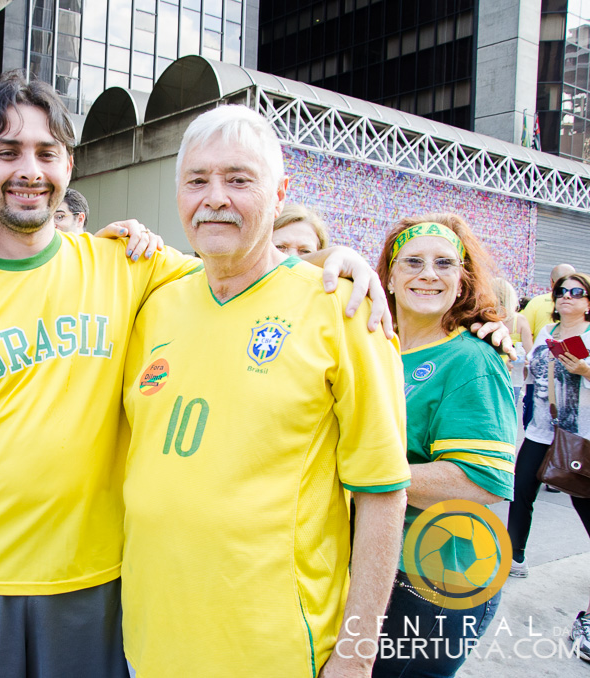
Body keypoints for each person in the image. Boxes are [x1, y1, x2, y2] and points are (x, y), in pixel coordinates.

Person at [0, 72, 390, 678]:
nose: (29, 169)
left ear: (70, 165)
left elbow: (254, 272)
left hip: (97, 584)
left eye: (47, 152)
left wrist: (339, 259)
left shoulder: (130, 269)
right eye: (7, 151)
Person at [120, 105, 409, 678]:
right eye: (197, 181)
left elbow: (383, 494)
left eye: (238, 179)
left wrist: (355, 654)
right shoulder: (153, 306)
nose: (215, 197)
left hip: (274, 650)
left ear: (280, 193)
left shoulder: (343, 311)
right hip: (149, 642)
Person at [372, 215, 516, 678]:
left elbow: (481, 481)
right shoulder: (373, 345)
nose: (428, 273)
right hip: (375, 561)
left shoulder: (470, 357)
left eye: (444, 264)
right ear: (389, 277)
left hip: (434, 576)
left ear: (462, 283)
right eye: (412, 261)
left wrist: (354, 473)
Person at [505, 272, 590, 660]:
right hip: (540, 430)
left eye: (577, 292)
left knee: (583, 506)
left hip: (578, 437)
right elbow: (533, 374)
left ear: (588, 301)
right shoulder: (547, 331)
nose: (567, 297)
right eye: (561, 291)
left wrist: (585, 371)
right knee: (520, 493)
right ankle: (514, 558)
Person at [521, 264, 576, 427]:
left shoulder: (536, 303)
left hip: (546, 378)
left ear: (551, 282)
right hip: (547, 376)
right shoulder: (546, 327)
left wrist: (531, 361)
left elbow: (525, 333)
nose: (567, 297)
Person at [492, 277, 533, 416]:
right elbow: (530, 353)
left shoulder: (482, 318)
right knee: (507, 414)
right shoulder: (519, 320)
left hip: (489, 375)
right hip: (513, 377)